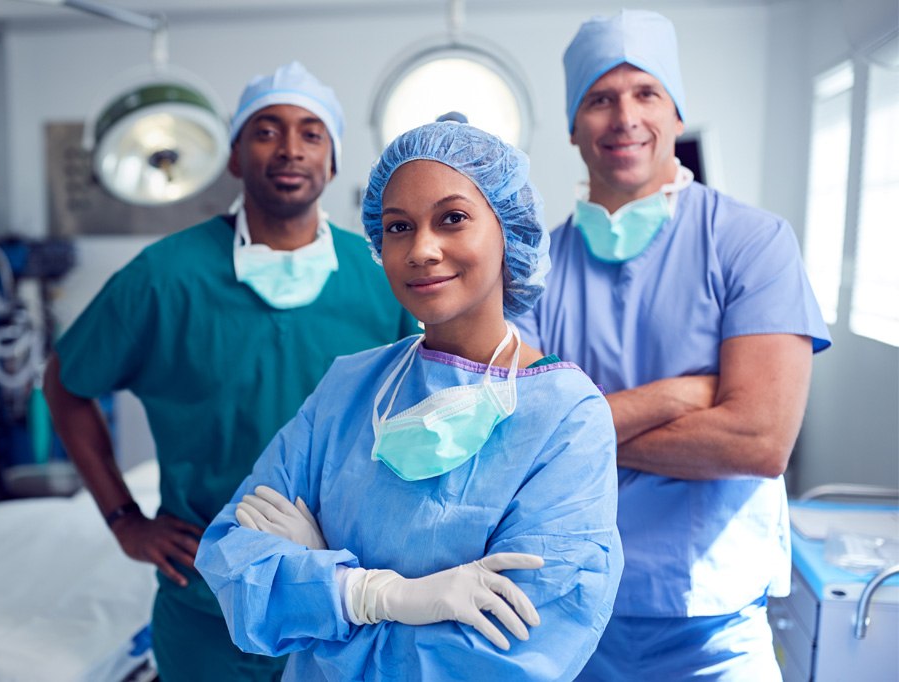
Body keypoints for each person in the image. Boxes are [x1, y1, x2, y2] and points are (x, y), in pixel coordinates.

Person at [195, 120, 624, 681]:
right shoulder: (350, 388)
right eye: (398, 226)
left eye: (452, 218)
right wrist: (377, 595)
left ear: (507, 230)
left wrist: (319, 582)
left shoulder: (566, 416)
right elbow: (232, 556)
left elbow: (510, 659)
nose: (421, 250)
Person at [42, 61, 419, 682]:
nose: (290, 149)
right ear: (235, 156)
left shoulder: (382, 278)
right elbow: (65, 382)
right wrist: (123, 520)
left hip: (344, 605)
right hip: (207, 613)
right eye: (266, 131)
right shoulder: (164, 278)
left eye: (311, 133)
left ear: (333, 160)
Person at [513, 10, 832, 680]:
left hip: (714, 629)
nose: (624, 117)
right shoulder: (535, 268)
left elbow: (759, 441)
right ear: (573, 125)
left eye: (646, 93)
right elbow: (517, 440)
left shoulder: (752, 243)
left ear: (677, 114)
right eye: (600, 99)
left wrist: (575, 433)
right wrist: (679, 396)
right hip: (570, 614)